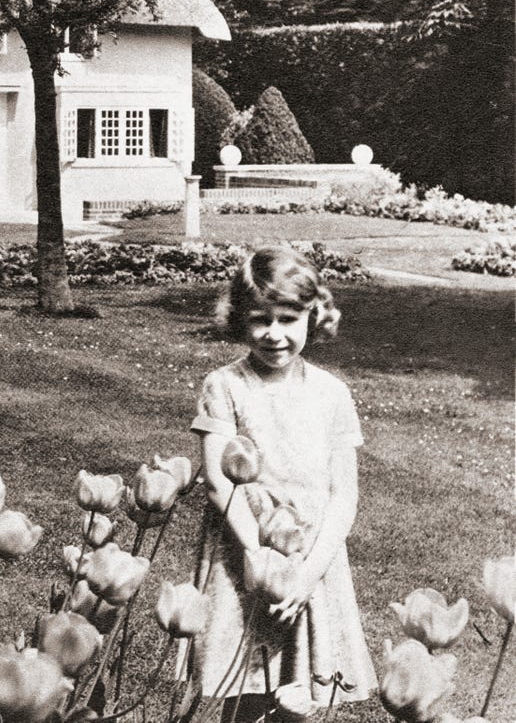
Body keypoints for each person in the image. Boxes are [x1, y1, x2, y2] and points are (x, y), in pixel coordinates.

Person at [189, 247, 376, 722]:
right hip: (244, 549)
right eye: (260, 320)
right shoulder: (224, 385)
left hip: (311, 555)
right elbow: (218, 482)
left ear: (313, 317)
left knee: (301, 690)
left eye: (288, 319)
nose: (274, 334)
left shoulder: (332, 393)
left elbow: (344, 495)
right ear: (239, 320)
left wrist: (309, 573)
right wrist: (258, 555)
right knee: (244, 684)